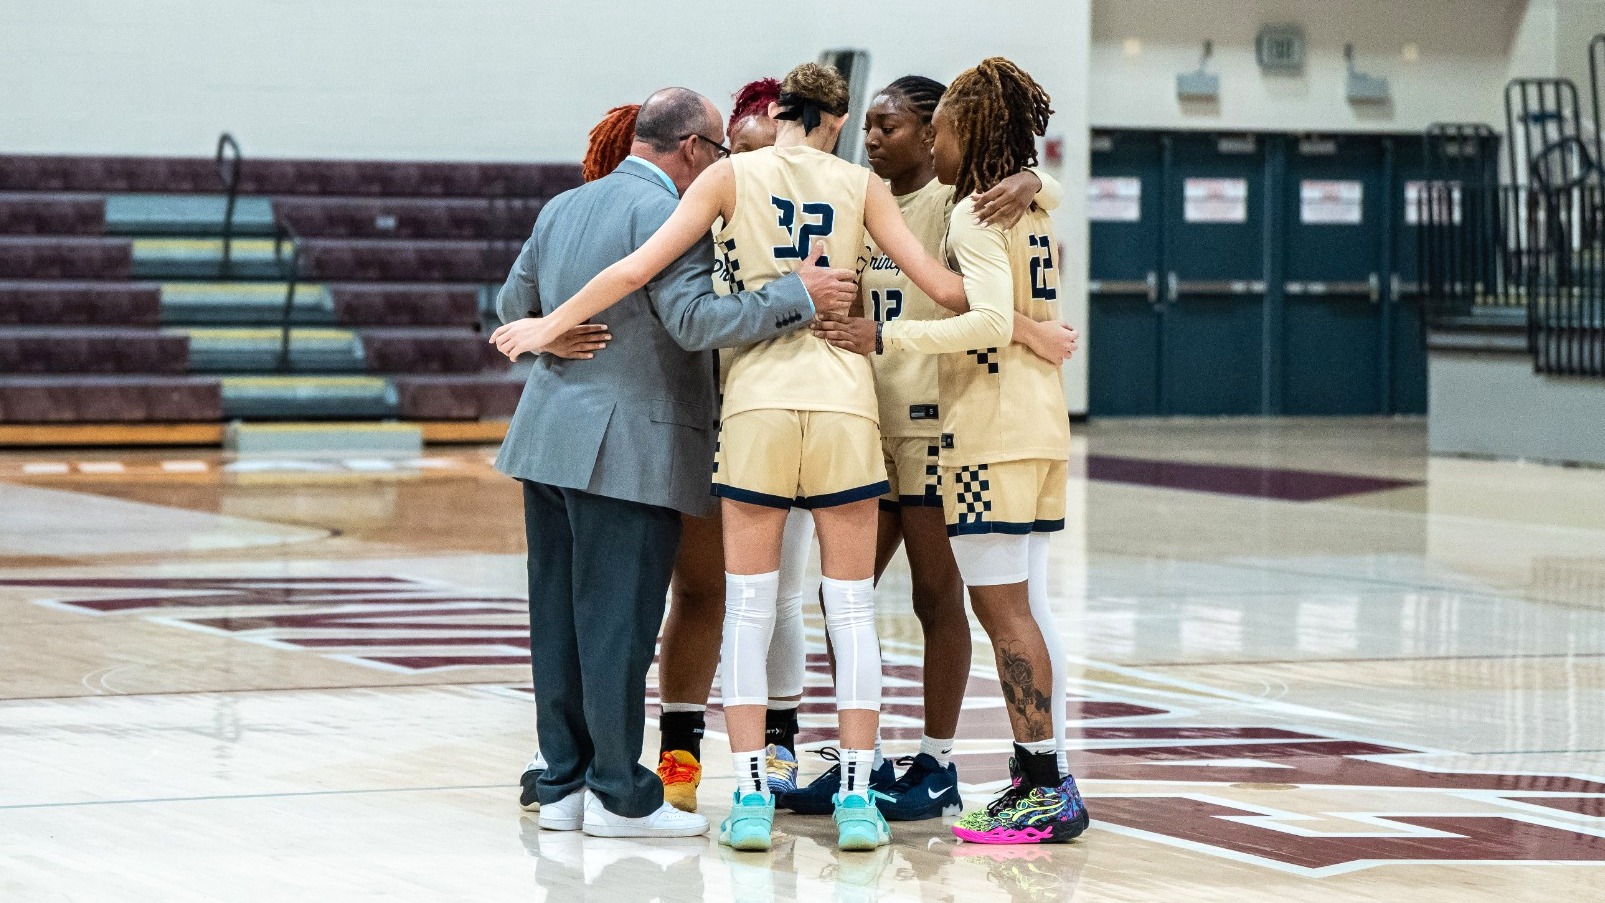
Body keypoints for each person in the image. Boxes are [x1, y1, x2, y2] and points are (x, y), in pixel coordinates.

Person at [497, 62, 967, 854]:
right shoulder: (702, 201)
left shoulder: (567, 204)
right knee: (638, 623)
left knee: (563, 624)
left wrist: (552, 330)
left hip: (552, 436)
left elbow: (518, 306)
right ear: (689, 146)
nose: (718, 158)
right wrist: (801, 294)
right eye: (712, 147)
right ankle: (626, 788)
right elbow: (687, 319)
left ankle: (567, 785)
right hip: (659, 438)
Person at [782, 75, 1077, 822]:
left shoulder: (964, 200)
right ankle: (862, 758)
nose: (874, 138)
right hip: (861, 418)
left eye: (890, 126)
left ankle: (941, 759)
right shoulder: (855, 195)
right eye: (868, 127)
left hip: (944, 425)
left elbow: (988, 289)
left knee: (946, 597)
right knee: (842, 593)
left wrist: (1029, 175)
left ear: (933, 132)